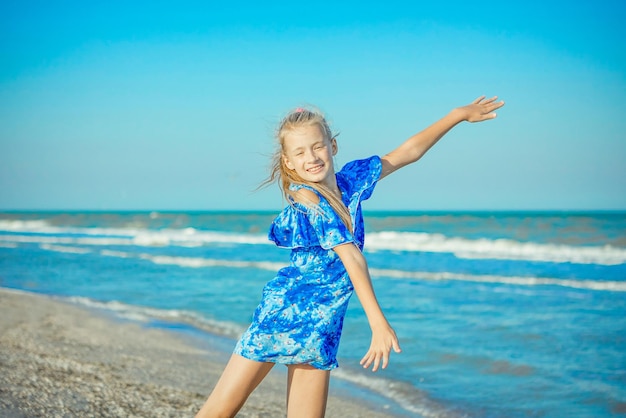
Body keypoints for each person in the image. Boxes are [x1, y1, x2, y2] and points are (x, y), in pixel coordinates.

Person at [195, 96, 505, 418]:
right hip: (283, 312)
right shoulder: (310, 200)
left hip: (323, 320)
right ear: (288, 162)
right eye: (299, 152)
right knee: (219, 411)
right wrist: (378, 322)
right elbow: (351, 258)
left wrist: (456, 115)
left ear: (333, 146)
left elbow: (405, 154)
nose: (311, 157)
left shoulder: (351, 181)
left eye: (317, 147)